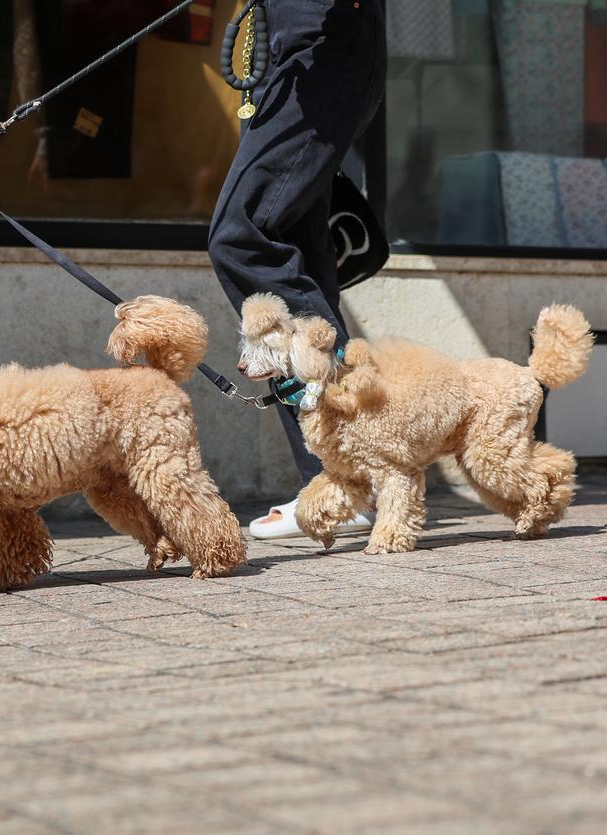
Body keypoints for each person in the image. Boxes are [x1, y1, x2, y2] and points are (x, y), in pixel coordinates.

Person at [207, 0, 387, 539]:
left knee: (243, 236)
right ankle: (342, 479)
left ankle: (348, 477)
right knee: (297, 252)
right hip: (290, 56)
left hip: (323, 48)